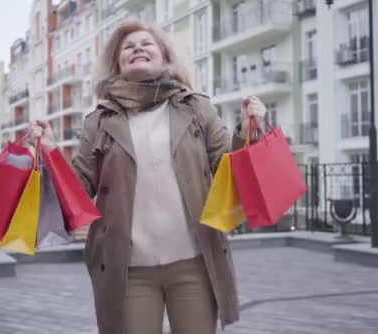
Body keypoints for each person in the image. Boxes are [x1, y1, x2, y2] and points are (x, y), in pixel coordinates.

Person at [27, 22, 267, 334]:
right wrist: (50, 153)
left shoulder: (196, 108)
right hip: (129, 271)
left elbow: (228, 168)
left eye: (146, 43)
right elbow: (78, 189)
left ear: (166, 59)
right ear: (117, 65)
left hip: (195, 262)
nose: (137, 48)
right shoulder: (99, 122)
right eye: (128, 47)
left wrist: (249, 130)